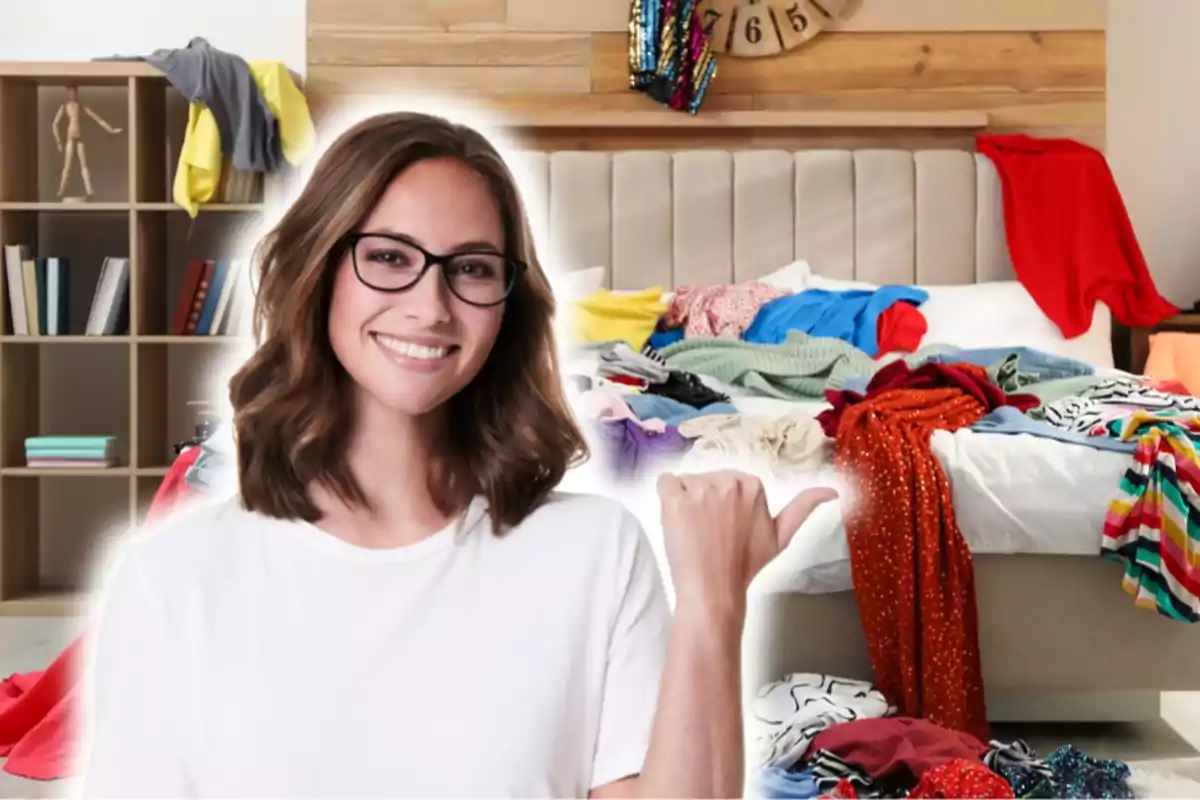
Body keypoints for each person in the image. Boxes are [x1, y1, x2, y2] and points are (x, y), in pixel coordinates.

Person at [77, 111, 836, 798]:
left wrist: (713, 602)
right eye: (388, 256)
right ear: (319, 273)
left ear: (507, 306)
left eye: (471, 268)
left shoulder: (594, 552)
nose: (430, 305)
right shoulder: (175, 581)